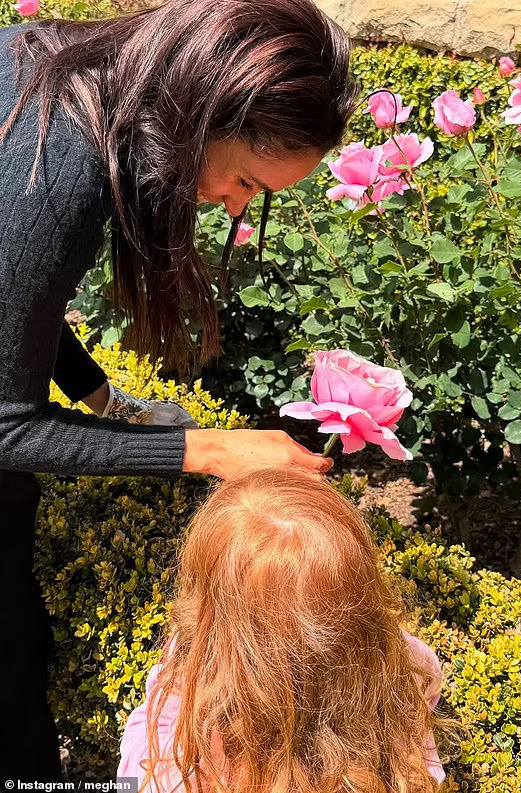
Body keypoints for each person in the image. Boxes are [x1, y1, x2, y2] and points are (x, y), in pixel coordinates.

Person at [0, 0, 358, 776]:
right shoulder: (58, 174)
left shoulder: (47, 62)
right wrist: (207, 449)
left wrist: (102, 399)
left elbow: (11, 304)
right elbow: (4, 427)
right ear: (204, 112)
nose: (236, 206)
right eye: (245, 180)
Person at [117, 469, 448, 792]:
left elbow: (136, 764)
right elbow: (425, 767)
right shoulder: (411, 668)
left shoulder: (173, 761)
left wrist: (179, 667)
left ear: (207, 608)